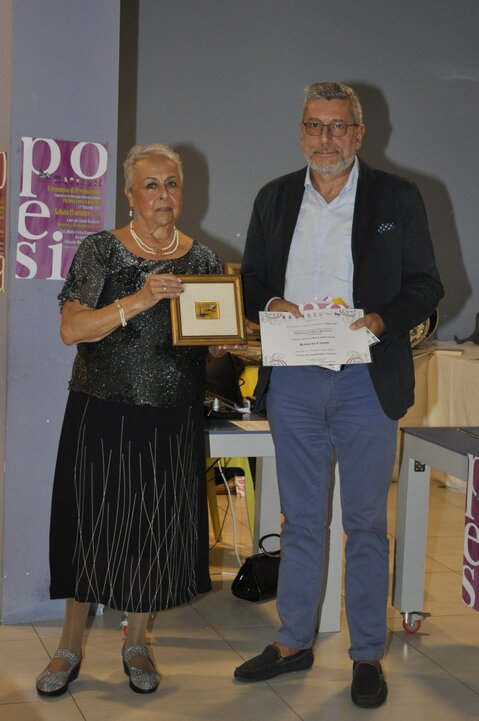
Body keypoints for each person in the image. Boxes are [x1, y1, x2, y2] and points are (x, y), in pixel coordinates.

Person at [235, 82, 444, 707]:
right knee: (300, 520)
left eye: (337, 126)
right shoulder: (274, 198)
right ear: (301, 131)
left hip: (365, 379)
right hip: (295, 377)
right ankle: (293, 641)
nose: (325, 138)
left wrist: (381, 319)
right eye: (314, 125)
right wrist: (273, 302)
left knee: (365, 524)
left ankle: (367, 654)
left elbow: (426, 285)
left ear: (358, 133)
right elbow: (251, 281)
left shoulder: (396, 198)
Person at [36, 143, 226, 696]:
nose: (163, 195)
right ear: (129, 194)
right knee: (88, 528)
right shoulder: (101, 250)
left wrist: (222, 345)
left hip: (173, 417)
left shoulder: (205, 260)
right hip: (103, 411)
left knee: (153, 530)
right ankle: (69, 646)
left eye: (171, 184)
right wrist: (140, 299)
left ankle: (137, 643)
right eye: (151, 185)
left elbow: (205, 345)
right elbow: (72, 330)